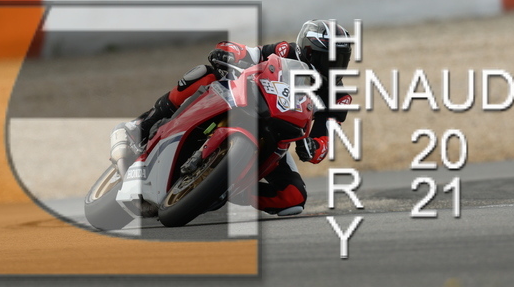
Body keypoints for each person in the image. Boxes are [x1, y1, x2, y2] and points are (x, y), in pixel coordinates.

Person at [122, 20, 353, 216]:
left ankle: (226, 189)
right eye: (330, 60)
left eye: (342, 60)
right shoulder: (285, 51)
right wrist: (231, 53)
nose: (336, 67)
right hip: (245, 102)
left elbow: (325, 138)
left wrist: (314, 147)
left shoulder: (339, 97)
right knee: (205, 74)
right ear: (308, 51)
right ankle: (143, 125)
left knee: (293, 199)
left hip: (277, 136)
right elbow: (249, 52)